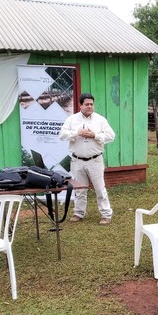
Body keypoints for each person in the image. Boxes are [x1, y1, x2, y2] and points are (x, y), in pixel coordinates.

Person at [59, 93, 115, 225]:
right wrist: (77, 133)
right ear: (80, 105)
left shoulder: (100, 120)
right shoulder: (72, 120)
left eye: (91, 104)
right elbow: (62, 135)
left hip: (95, 160)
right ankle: (79, 213)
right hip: (77, 160)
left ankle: (106, 215)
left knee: (100, 189)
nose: (90, 107)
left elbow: (111, 136)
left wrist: (95, 135)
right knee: (79, 189)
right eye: (87, 104)